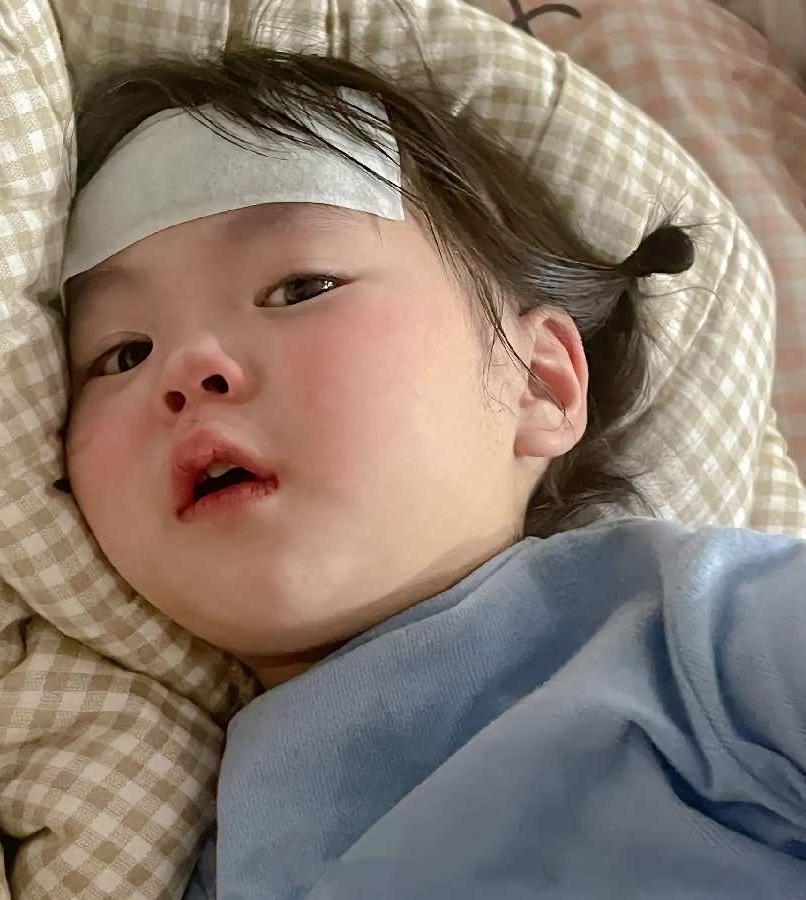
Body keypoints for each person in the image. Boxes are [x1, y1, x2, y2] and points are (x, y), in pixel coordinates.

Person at [55, 43, 806, 900]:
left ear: (536, 381)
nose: (188, 366)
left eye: (302, 287)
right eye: (122, 353)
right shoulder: (212, 857)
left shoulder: (696, 630)